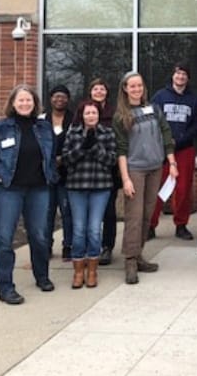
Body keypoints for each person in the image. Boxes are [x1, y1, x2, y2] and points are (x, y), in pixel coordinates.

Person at [0, 84, 58, 305]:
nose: (25, 103)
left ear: (35, 103)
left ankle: (42, 277)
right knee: (5, 238)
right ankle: (5, 288)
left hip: (38, 189)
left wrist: (51, 174)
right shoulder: (0, 128)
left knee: (40, 236)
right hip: (8, 189)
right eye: (21, 100)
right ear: (13, 103)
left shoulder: (44, 127)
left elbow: (52, 155)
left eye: (28, 100)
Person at [114, 71, 177, 284]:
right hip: (135, 170)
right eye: (132, 86)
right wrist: (126, 179)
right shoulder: (121, 116)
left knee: (147, 215)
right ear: (125, 89)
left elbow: (166, 135)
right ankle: (130, 260)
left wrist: (172, 163)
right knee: (134, 215)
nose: (136, 89)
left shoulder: (154, 109)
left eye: (139, 85)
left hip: (155, 168)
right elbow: (121, 150)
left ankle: (138, 254)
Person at [62, 100, 117, 288]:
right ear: (82, 115)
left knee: (94, 229)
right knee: (79, 230)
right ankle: (78, 270)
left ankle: (92, 270)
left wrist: (94, 147)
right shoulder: (73, 133)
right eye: (87, 113)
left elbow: (111, 160)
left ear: (99, 115)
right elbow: (66, 160)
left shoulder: (107, 133)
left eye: (94, 113)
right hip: (76, 186)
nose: (91, 116)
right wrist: (82, 147)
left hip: (100, 187)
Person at [150, 62, 197, 241]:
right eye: (178, 73)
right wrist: (165, 142)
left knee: (183, 189)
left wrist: (179, 141)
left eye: (184, 74)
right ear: (173, 76)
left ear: (188, 78)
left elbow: (196, 126)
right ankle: (150, 226)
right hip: (161, 150)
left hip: (184, 149)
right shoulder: (160, 96)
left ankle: (181, 225)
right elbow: (152, 121)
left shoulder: (194, 100)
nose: (180, 77)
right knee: (157, 187)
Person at [89, 78, 120, 266]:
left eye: (102, 89)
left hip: (109, 169)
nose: (99, 92)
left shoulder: (114, 113)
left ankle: (107, 246)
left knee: (108, 211)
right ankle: (90, 247)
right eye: (95, 89)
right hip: (86, 170)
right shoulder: (84, 110)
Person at [42, 84, 74, 261]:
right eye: (56, 96)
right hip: (46, 174)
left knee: (67, 212)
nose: (59, 99)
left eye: (63, 96)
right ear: (51, 99)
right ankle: (46, 246)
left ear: (68, 99)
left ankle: (68, 246)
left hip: (67, 173)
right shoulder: (42, 120)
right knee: (47, 213)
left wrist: (64, 158)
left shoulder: (74, 119)